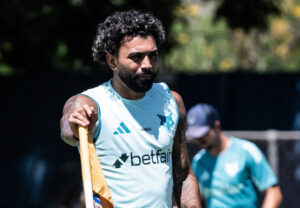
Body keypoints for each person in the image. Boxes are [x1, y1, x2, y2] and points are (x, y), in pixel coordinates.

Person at [60, 9, 201, 208]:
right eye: (136, 57)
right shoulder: (91, 104)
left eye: (153, 56)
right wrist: (75, 126)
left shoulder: (171, 102)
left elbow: (183, 174)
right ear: (112, 61)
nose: (147, 65)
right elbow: (67, 128)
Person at [185, 103, 282, 208]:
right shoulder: (198, 161)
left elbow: (274, 192)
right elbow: (200, 199)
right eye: (195, 136)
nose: (199, 139)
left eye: (203, 134)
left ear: (217, 126)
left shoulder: (246, 151)